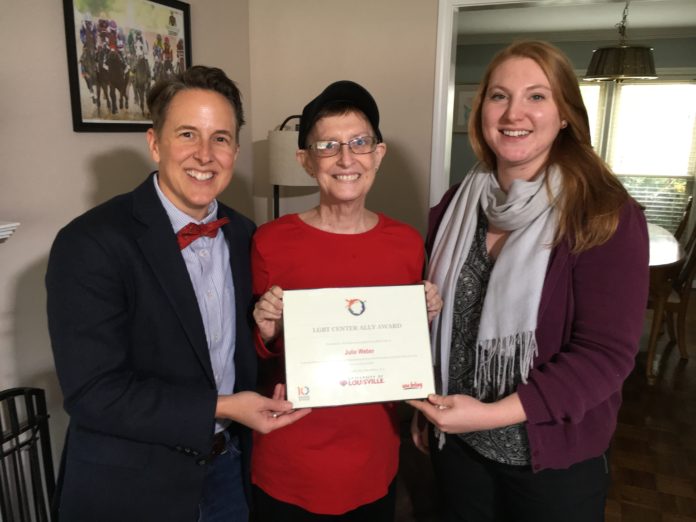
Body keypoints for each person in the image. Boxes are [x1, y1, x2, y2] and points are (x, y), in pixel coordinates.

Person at [46, 65, 308, 522]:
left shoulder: (246, 234)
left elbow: (239, 355)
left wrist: (269, 332)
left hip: (229, 471)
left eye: (220, 138)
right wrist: (227, 407)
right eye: (188, 134)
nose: (204, 155)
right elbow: (93, 392)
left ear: (236, 151)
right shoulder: (88, 243)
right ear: (154, 143)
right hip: (131, 486)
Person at [407, 40, 649, 522]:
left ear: (565, 114)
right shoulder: (456, 205)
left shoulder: (603, 214)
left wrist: (493, 415)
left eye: (537, 96)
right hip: (457, 446)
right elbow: (434, 322)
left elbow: (605, 356)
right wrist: (423, 402)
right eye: (499, 96)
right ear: (481, 112)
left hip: (549, 462)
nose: (514, 112)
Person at [250, 80, 443, 520]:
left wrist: (426, 315)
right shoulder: (269, 242)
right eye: (328, 145)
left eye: (359, 142)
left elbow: (401, 348)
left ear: (379, 153)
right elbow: (255, 357)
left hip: (372, 458)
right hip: (288, 458)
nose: (345, 159)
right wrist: (265, 331)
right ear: (305, 160)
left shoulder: (407, 244)